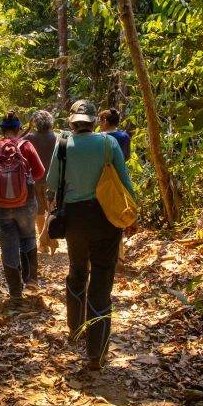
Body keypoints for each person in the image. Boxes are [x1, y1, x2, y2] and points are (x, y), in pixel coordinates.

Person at [46, 100, 134, 370]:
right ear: (95, 121)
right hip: (106, 219)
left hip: (74, 220)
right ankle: (96, 352)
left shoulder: (63, 144)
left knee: (77, 270)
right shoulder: (108, 144)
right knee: (102, 280)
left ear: (72, 122)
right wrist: (132, 217)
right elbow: (125, 182)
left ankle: (75, 328)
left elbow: (51, 184)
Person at [0, 110, 45, 303]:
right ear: (19, 129)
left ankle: (15, 292)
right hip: (26, 203)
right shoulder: (26, 146)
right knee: (28, 237)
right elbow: (40, 172)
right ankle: (31, 279)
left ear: (2, 129)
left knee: (8, 245)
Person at [98, 108, 133, 266]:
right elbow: (126, 157)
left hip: (103, 180)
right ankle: (119, 256)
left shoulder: (100, 138)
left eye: (101, 120)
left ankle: (103, 254)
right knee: (118, 215)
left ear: (105, 121)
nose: (99, 124)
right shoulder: (124, 137)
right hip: (119, 180)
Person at [23, 110, 58, 255]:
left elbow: (16, 141)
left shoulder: (30, 138)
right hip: (52, 180)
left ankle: (43, 243)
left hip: (35, 179)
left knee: (39, 212)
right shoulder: (56, 137)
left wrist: (28, 128)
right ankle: (50, 238)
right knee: (52, 210)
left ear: (35, 123)